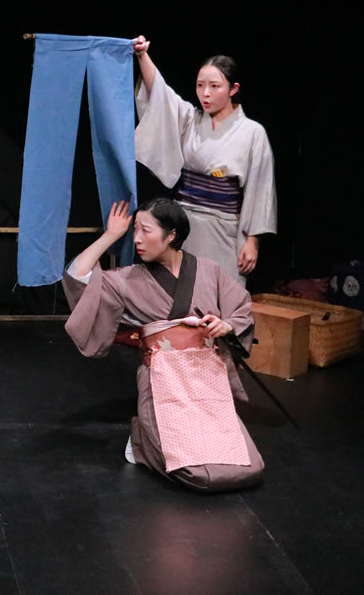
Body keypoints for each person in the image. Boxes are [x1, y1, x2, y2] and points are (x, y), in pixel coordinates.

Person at [63, 198, 264, 492]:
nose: (137, 239)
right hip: (164, 382)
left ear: (171, 235)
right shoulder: (128, 280)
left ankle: (148, 437)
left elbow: (240, 309)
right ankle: (142, 439)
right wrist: (111, 235)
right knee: (193, 472)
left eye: (145, 231)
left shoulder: (208, 270)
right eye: (134, 230)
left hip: (207, 380)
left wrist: (226, 325)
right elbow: (77, 276)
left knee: (246, 467)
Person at [132, 37, 277, 284]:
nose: (205, 93)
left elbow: (261, 190)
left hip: (224, 229)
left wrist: (252, 241)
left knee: (220, 293)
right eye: (200, 85)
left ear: (233, 89)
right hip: (183, 225)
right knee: (179, 292)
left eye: (214, 86)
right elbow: (160, 95)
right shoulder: (191, 119)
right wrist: (142, 56)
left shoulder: (253, 133)